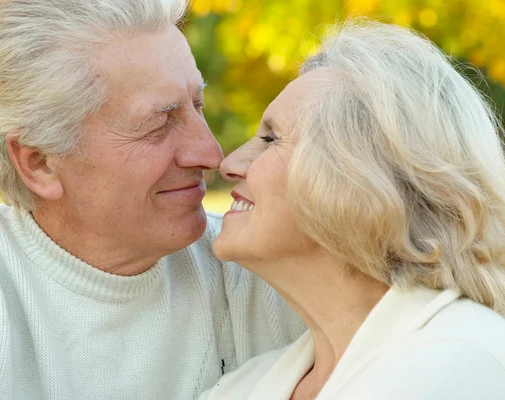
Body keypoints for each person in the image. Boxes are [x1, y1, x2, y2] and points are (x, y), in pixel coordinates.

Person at [0, 1, 306, 399]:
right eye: (158, 123)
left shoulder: (256, 271)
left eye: (197, 106)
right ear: (40, 162)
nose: (211, 154)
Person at [200, 20, 505, 400]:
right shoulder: (239, 389)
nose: (228, 163)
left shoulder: (463, 361)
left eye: (271, 138)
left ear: (357, 177)